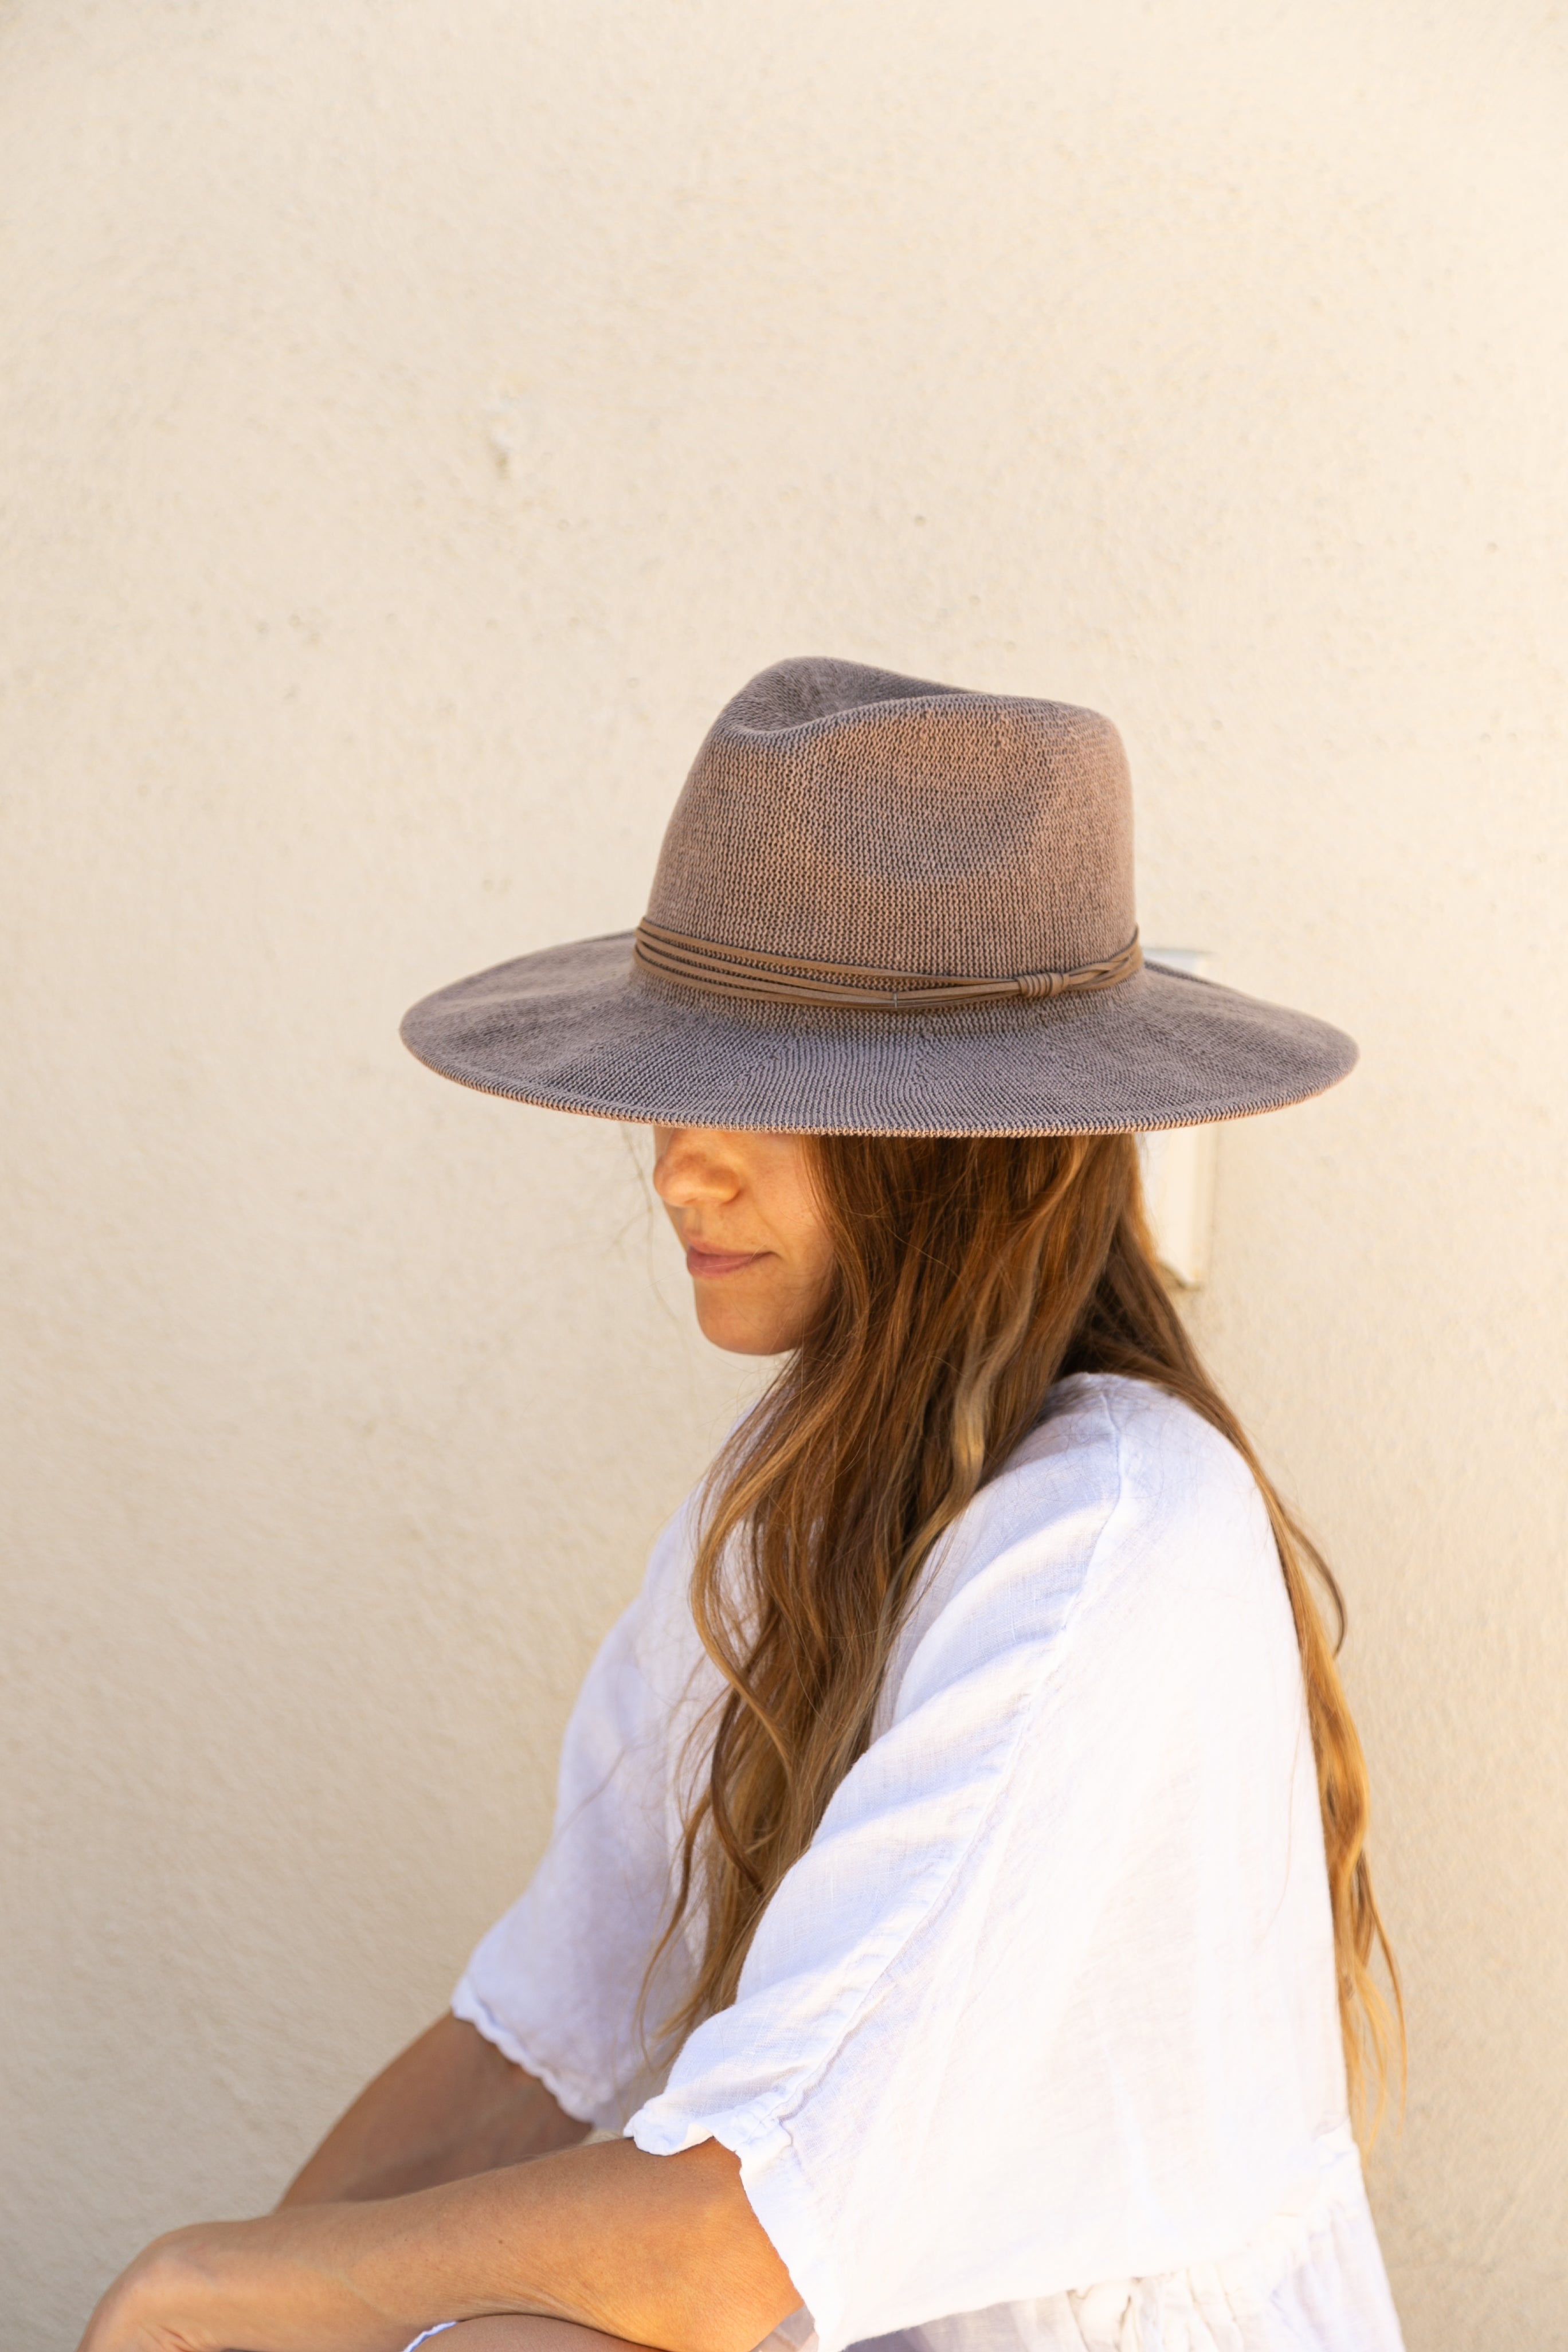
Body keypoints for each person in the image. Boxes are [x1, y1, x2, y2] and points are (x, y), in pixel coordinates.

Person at [79, 659, 1405, 2352]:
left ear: (975, 1147)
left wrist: (211, 2283)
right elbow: (543, 2049)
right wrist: (241, 2311)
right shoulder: (806, 1502)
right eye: (688, 1078)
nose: (677, 1164)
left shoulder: (1114, 1548)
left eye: (768, 1095)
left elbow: (730, 2246)